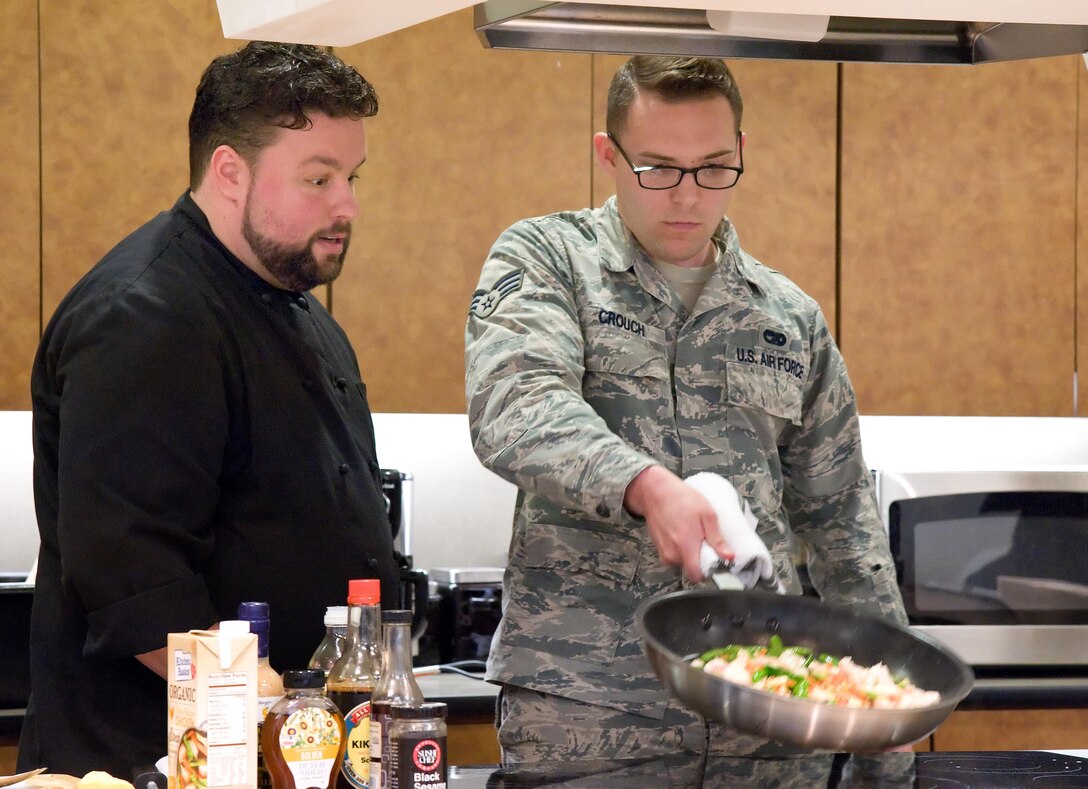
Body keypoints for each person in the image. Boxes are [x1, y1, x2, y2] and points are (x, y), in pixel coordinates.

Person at [464, 55, 909, 770]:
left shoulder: (788, 317)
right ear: (608, 155)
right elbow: (516, 405)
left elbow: (842, 523)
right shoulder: (548, 260)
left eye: (711, 168)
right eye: (658, 168)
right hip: (592, 718)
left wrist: (890, 702)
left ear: (740, 154)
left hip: (767, 718)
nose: (687, 196)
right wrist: (647, 486)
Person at [18, 42, 399, 777]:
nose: (346, 204)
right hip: (155, 761)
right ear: (230, 171)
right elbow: (139, 590)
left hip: (281, 755)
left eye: (351, 178)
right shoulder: (145, 316)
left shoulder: (300, 312)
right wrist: (290, 721)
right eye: (317, 178)